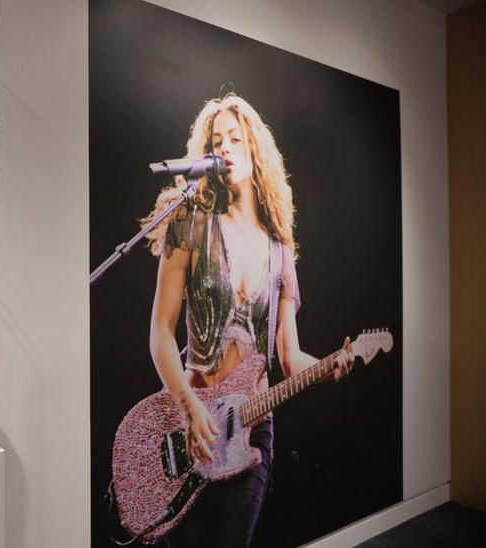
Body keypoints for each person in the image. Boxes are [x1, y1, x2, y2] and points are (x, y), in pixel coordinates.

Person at [143, 93, 354, 547]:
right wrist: (187, 405)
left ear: (256, 151)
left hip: (254, 431)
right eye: (217, 140)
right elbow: (160, 332)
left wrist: (330, 364)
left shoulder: (280, 250)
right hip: (193, 419)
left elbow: (289, 356)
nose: (225, 147)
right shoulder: (191, 223)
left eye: (236, 139)